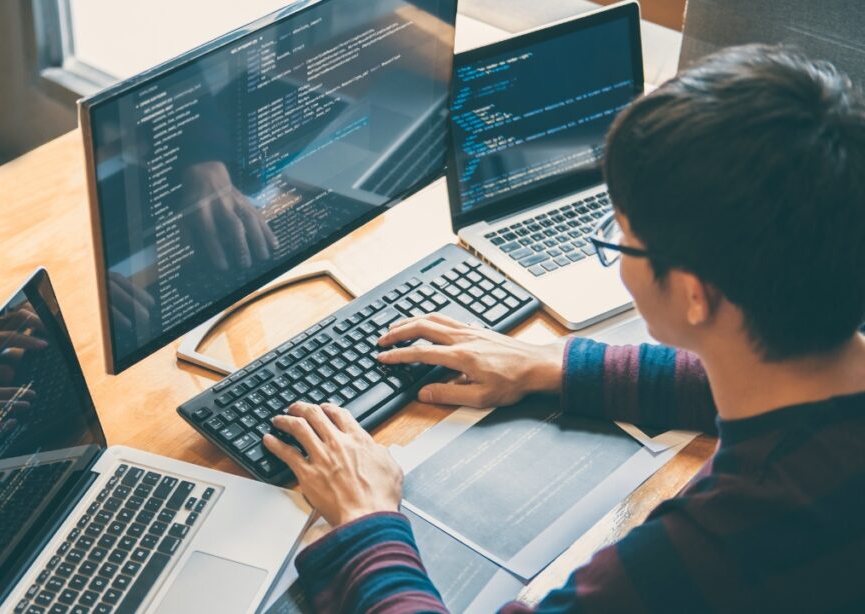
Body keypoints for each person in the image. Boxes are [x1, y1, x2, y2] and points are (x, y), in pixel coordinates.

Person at [259, 45, 865, 612]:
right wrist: (555, 365)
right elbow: (765, 383)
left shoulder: (708, 551)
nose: (619, 250)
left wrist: (367, 524)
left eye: (623, 235)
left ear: (693, 295)